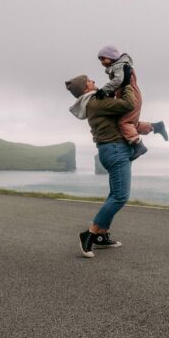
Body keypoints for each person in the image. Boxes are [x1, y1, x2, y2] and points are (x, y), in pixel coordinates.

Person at [65, 69, 138, 258]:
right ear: (85, 87)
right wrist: (127, 83)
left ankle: (102, 235)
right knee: (121, 196)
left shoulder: (93, 101)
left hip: (110, 150)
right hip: (115, 149)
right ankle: (89, 233)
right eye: (89, 80)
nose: (93, 80)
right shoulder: (96, 101)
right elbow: (129, 104)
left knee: (114, 194)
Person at [95, 45, 168, 161]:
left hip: (131, 96)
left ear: (111, 57)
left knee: (124, 123)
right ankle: (156, 127)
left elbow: (119, 81)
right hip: (130, 96)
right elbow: (118, 84)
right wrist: (111, 94)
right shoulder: (118, 66)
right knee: (130, 123)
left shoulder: (119, 66)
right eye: (100, 60)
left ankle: (138, 145)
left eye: (103, 58)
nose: (102, 62)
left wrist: (104, 90)